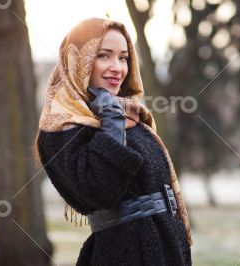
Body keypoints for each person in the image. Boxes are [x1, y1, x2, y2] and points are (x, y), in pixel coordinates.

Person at [36, 18, 193, 265]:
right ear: (80, 60)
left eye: (123, 57)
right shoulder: (61, 128)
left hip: (166, 248)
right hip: (123, 253)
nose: (117, 67)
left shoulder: (129, 115)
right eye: (104, 56)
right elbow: (99, 192)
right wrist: (111, 118)